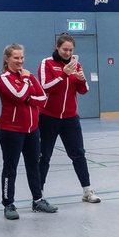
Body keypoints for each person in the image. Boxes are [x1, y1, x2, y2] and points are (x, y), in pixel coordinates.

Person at [0, 44, 57, 220]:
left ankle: (38, 200)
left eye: (22, 57)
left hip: (32, 129)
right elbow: (18, 96)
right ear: (7, 59)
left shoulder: (29, 76)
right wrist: (25, 82)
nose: (20, 61)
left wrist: (29, 94)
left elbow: (43, 98)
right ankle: (8, 204)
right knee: (10, 167)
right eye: (16, 58)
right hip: (11, 131)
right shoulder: (4, 78)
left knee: (34, 166)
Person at [38, 34, 100, 204]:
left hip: (70, 119)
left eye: (71, 50)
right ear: (57, 47)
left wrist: (81, 79)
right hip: (48, 118)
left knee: (78, 154)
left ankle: (87, 190)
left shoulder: (76, 64)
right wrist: (63, 74)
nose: (67, 53)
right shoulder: (47, 63)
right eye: (65, 49)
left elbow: (84, 90)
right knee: (44, 156)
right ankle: (39, 193)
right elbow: (44, 86)